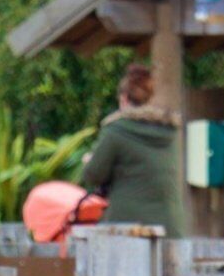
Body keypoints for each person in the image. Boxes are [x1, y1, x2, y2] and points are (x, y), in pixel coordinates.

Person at [72, 62, 185, 234]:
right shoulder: (169, 131)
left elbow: (93, 175)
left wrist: (89, 160)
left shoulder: (117, 130)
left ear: (123, 99)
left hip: (129, 227)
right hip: (170, 226)